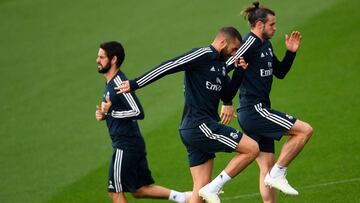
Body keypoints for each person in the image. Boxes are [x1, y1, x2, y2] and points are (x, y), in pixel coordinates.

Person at [115, 27, 260, 203]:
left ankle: (209, 189)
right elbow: (169, 66)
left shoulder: (221, 66)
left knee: (199, 191)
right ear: (223, 42)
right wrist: (135, 83)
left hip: (196, 128)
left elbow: (227, 95)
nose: (235, 54)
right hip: (199, 125)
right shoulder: (202, 55)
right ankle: (214, 188)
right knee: (252, 148)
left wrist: (240, 72)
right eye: (234, 49)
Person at [223, 2, 313, 202]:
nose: (275, 28)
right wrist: (226, 101)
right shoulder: (248, 44)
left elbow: (279, 72)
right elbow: (223, 68)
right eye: (272, 24)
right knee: (304, 130)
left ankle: (274, 177)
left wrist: (291, 52)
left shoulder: (266, 45)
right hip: (254, 111)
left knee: (266, 168)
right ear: (260, 24)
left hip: (258, 110)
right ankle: (279, 173)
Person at [95, 41, 192, 203]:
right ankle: (183, 198)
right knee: (139, 190)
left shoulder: (119, 84)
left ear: (113, 60)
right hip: (132, 144)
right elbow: (118, 111)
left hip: (124, 145)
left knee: (115, 192)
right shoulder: (110, 83)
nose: (98, 60)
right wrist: (105, 115)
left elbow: (138, 111)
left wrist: (111, 112)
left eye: (102, 57)